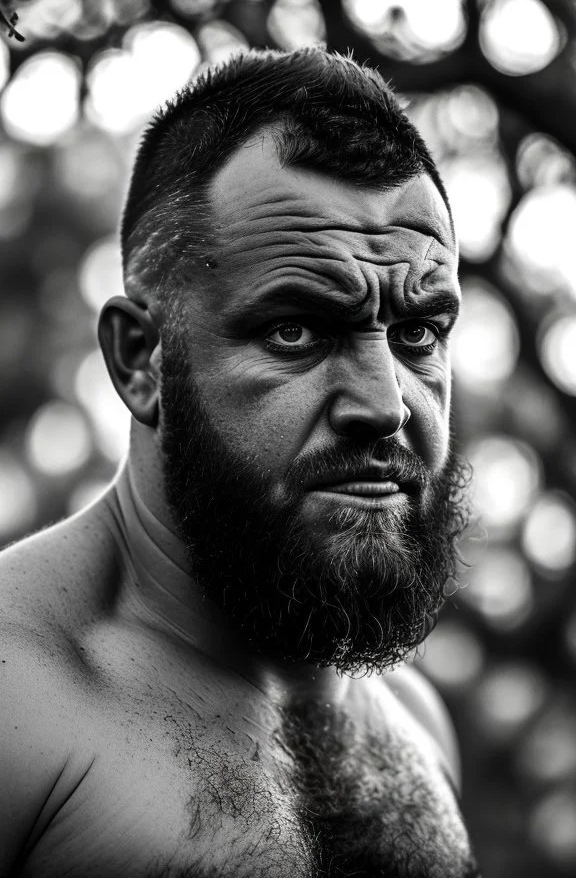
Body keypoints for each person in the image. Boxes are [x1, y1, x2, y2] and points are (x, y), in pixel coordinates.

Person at [0, 48, 480, 878]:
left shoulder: (416, 723)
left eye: (418, 334)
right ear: (141, 361)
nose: (387, 403)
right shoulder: (19, 701)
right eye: (295, 330)